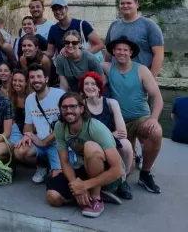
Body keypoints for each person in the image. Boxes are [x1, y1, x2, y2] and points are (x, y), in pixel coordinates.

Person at [46, 93, 126, 218]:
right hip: (83, 168)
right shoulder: (60, 127)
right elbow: (65, 162)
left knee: (90, 147)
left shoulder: (95, 127)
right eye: (64, 107)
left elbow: (118, 170)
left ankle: (96, 198)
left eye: (73, 106)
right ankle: (87, 195)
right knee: (53, 197)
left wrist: (84, 185)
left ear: (81, 109)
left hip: (109, 173)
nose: (68, 111)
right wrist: (76, 186)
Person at [102, 36, 163, 194]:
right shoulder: (107, 67)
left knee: (156, 132)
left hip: (139, 118)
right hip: (119, 123)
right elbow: (86, 62)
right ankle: (133, 162)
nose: (121, 52)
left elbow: (157, 97)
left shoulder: (141, 70)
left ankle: (146, 174)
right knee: (128, 167)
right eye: (118, 49)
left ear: (131, 53)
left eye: (125, 50)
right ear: (113, 52)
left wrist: (154, 119)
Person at [79, 72, 133, 200]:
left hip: (111, 141)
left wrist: (105, 136)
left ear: (99, 87)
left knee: (126, 144)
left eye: (93, 83)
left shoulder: (111, 103)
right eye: (86, 84)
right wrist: (109, 134)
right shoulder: (81, 105)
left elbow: (122, 132)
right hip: (91, 144)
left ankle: (123, 181)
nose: (89, 86)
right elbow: (83, 133)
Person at [14, 64, 66, 183]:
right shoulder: (30, 99)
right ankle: (42, 164)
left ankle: (54, 166)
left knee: (58, 180)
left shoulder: (59, 95)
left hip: (57, 142)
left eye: (39, 76)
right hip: (40, 141)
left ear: (46, 79)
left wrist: (44, 142)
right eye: (32, 77)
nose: (36, 80)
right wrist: (27, 135)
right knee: (19, 151)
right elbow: (28, 124)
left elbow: (65, 125)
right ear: (29, 81)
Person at [105, 0, 164, 79]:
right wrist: (107, 74)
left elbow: (159, 54)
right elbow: (108, 52)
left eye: (129, 3)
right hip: (115, 78)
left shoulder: (150, 26)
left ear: (137, 4)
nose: (125, 6)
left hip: (139, 78)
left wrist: (151, 79)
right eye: (122, 3)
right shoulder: (114, 25)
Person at [9, 69, 32, 148]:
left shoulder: (32, 98)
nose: (17, 83)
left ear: (26, 83)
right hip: (15, 130)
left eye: (20, 81)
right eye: (15, 80)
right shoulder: (10, 96)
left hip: (30, 131)